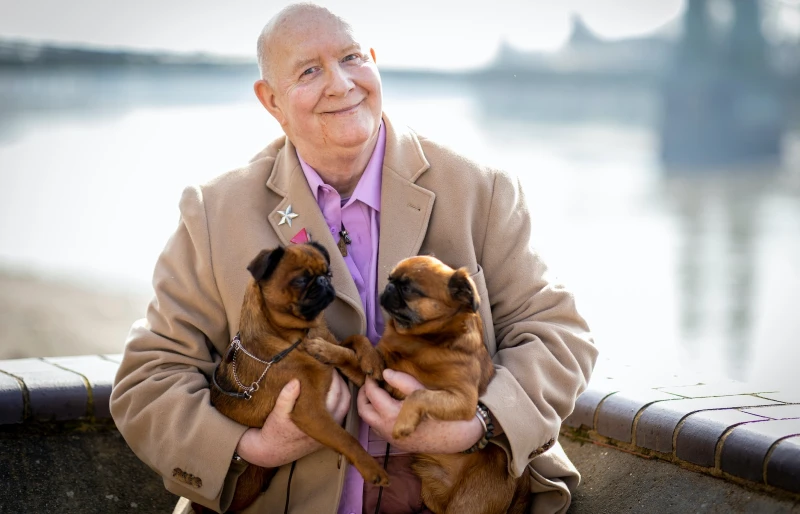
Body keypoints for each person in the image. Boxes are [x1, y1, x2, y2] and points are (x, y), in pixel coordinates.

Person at [109, 3, 598, 513]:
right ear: (271, 100)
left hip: (465, 494)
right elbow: (150, 377)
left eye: (351, 57)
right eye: (309, 71)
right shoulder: (214, 213)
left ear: (374, 61)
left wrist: (476, 425)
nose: (341, 84)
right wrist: (254, 447)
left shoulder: (482, 188)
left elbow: (560, 333)